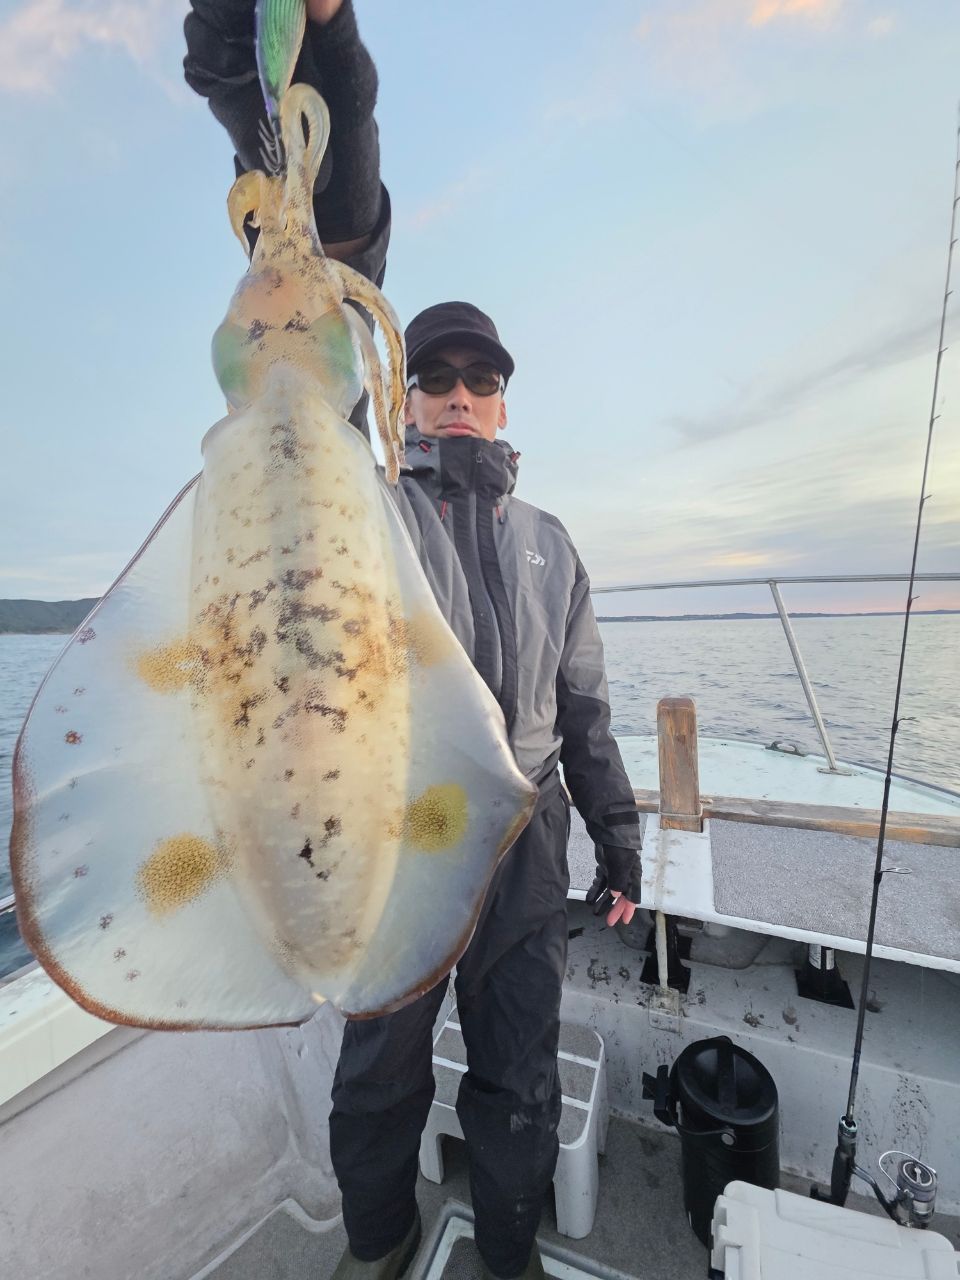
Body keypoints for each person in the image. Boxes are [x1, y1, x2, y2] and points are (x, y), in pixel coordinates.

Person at [183, 6, 643, 1278]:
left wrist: (621, 837)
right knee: (380, 1075)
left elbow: (588, 709)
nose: (452, 388)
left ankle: (506, 1253)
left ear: (504, 396)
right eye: (432, 370)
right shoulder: (367, 501)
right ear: (402, 388)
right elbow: (332, 248)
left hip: (530, 838)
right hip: (404, 825)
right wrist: (318, 65)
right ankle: (377, 1252)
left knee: (517, 1071)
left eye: (476, 373)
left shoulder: (555, 542)